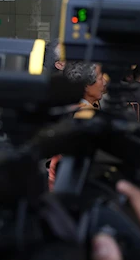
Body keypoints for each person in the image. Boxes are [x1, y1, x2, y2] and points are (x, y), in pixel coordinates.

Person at [48, 61, 106, 191]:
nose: (104, 82)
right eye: (100, 78)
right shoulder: (84, 117)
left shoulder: (70, 109)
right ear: (86, 86)